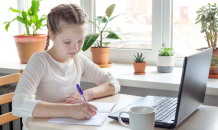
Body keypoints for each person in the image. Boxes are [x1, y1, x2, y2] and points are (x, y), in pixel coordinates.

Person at [12, 3, 120, 130]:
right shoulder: (40, 61)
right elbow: (18, 105)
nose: (75, 48)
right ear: (51, 34)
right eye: (67, 42)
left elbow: (113, 83)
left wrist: (86, 95)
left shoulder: (77, 59)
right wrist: (69, 110)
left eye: (80, 41)